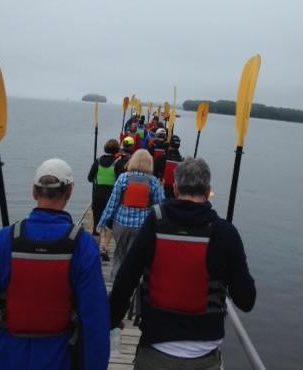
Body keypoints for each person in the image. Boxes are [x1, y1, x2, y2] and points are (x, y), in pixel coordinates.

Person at [0, 158, 110, 370]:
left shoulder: (3, 240)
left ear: (34, 192)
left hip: (4, 359)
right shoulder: (83, 246)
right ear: (69, 192)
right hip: (59, 358)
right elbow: (95, 322)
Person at [109, 158, 256, 370]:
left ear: (175, 189)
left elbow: (126, 278)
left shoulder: (154, 223)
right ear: (208, 191)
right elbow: (246, 300)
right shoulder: (226, 233)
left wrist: (112, 319)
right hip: (205, 357)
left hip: (155, 352)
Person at [97, 149, 165, 282]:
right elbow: (161, 207)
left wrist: (103, 222)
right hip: (142, 227)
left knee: (119, 255)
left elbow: (112, 203)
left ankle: (116, 282)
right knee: (136, 259)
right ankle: (132, 286)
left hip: (121, 225)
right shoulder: (154, 182)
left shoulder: (123, 178)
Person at [88, 139, 120, 261]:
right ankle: (104, 248)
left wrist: (98, 177)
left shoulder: (97, 161)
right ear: (117, 150)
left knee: (97, 222)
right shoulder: (118, 163)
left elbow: (90, 178)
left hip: (97, 196)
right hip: (111, 197)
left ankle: (95, 248)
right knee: (110, 223)